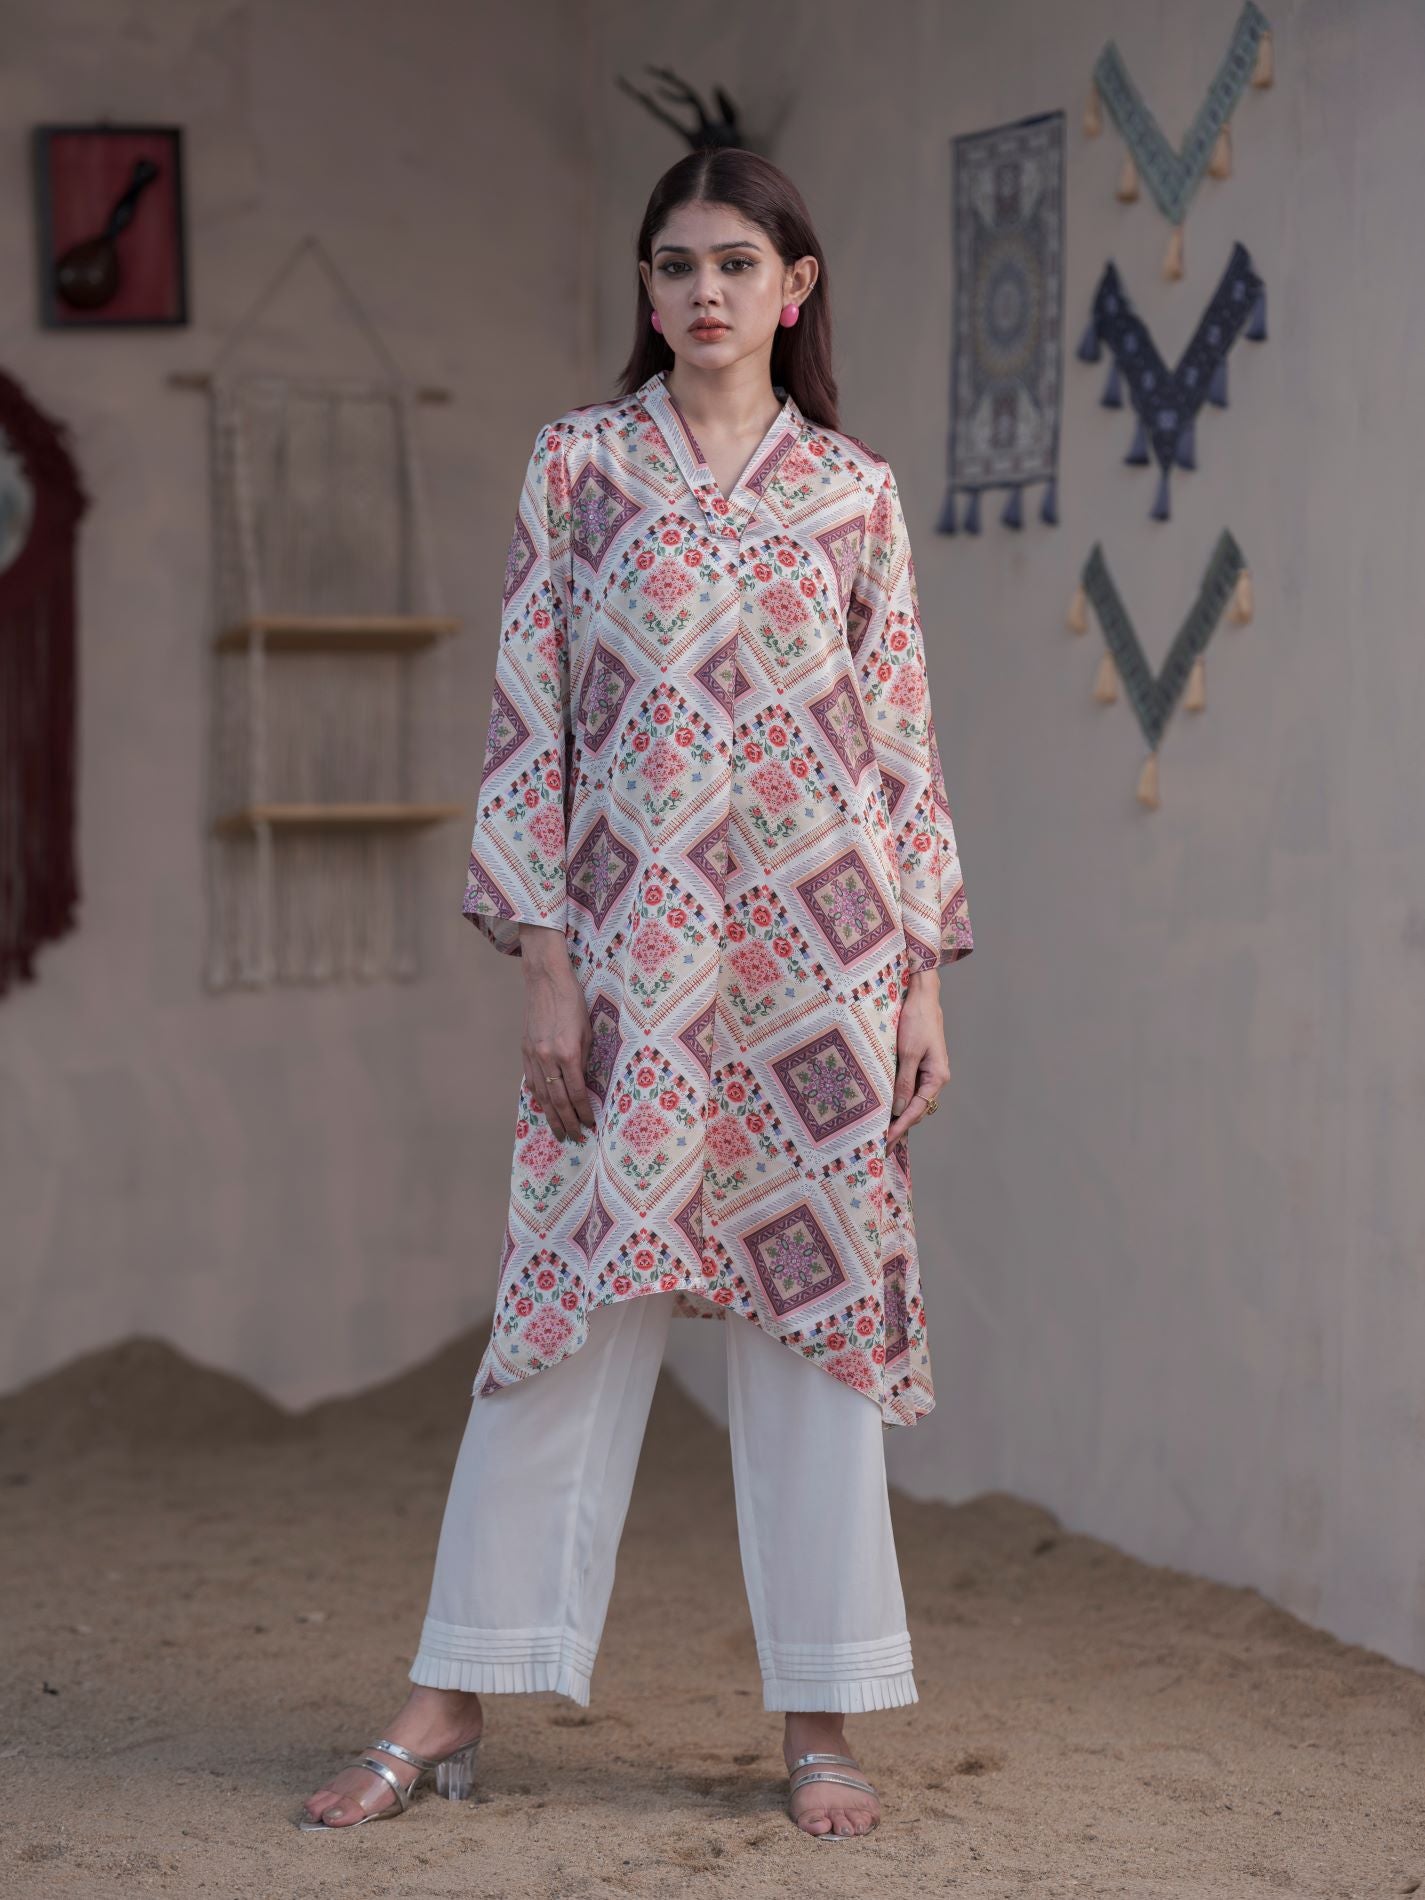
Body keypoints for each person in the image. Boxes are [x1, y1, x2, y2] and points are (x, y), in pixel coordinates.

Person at [299, 145, 974, 1844]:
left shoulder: (853, 492)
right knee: (565, 1307)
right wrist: (545, 960)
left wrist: (915, 980)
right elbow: (529, 719)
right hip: (628, 958)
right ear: (649, 290)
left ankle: (820, 1712)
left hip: (820, 960)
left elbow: (898, 745)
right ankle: (453, 1690)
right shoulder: (578, 468)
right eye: (675, 264)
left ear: (793, 288)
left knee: (816, 1325)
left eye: (736, 263)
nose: (703, 292)